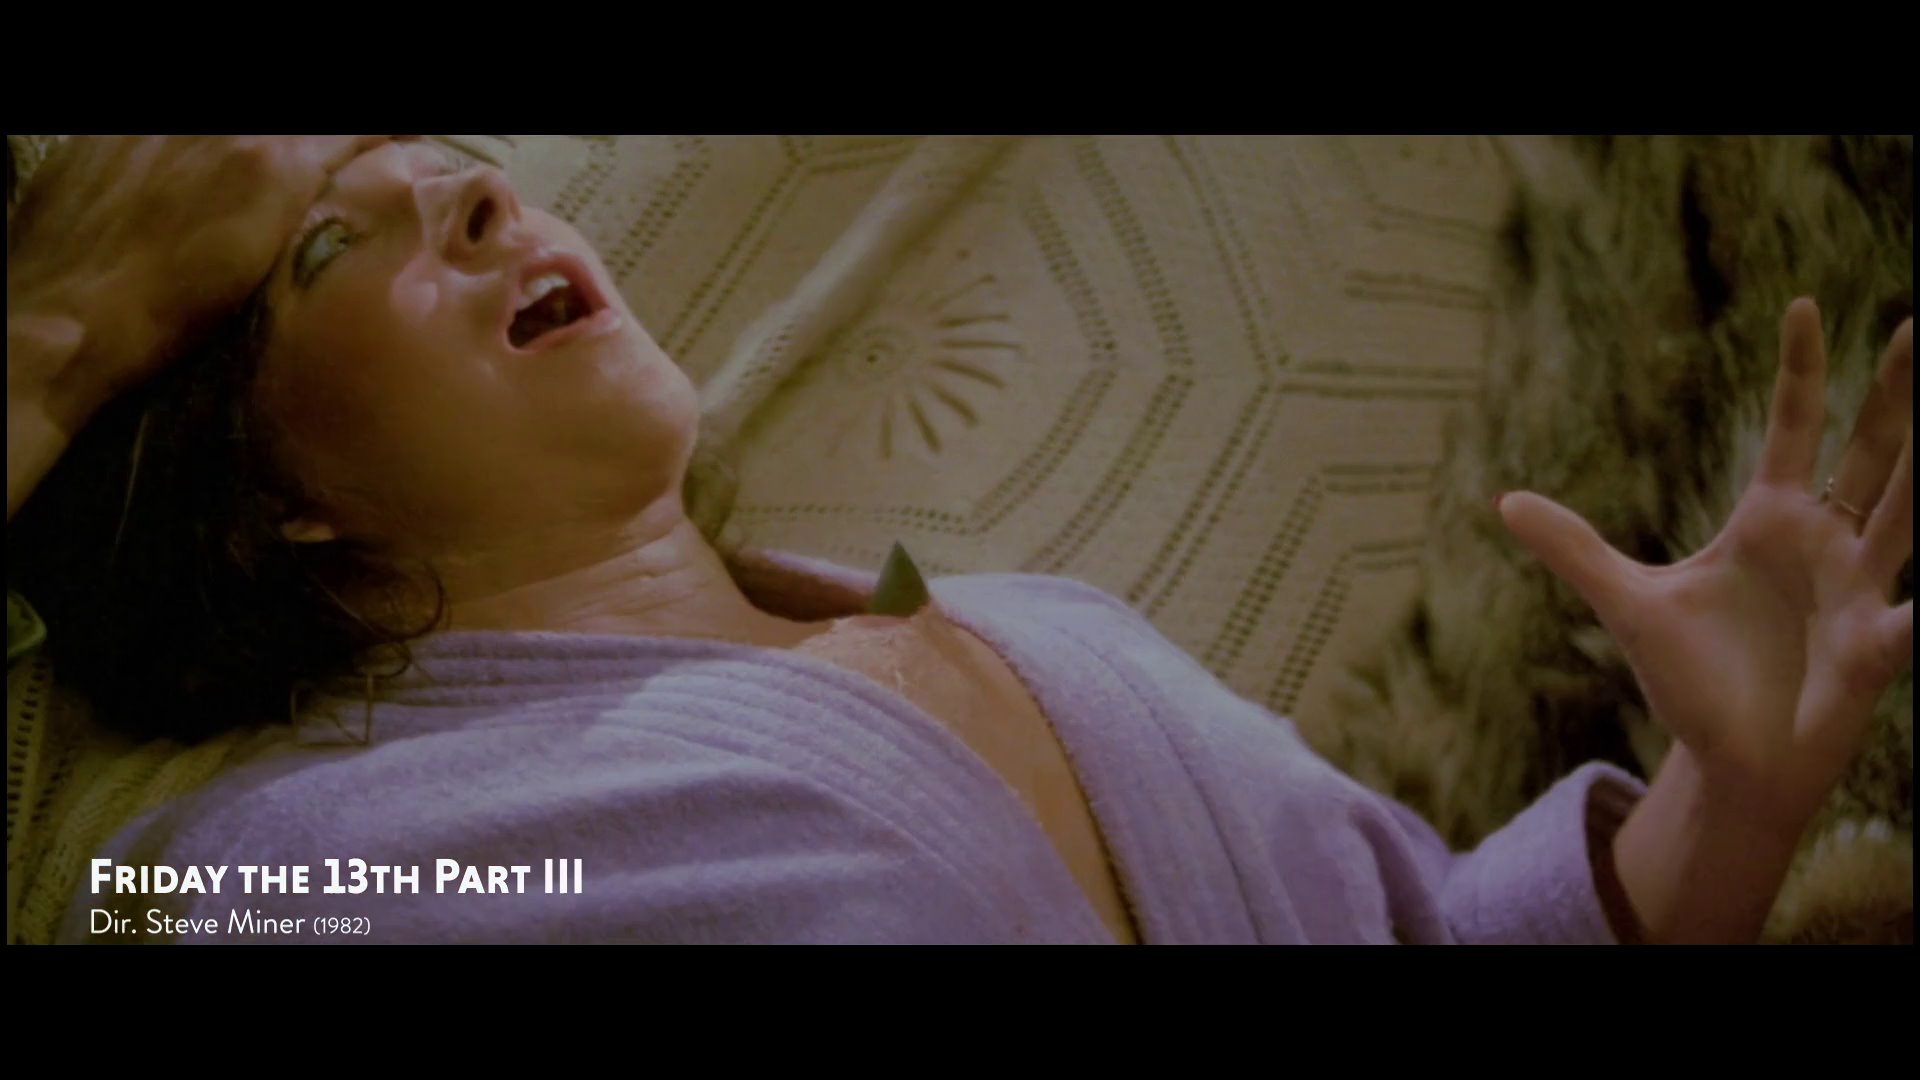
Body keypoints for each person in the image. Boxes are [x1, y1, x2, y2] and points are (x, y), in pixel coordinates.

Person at [7, 136, 1912, 945]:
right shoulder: (288, 861)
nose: (481, 198)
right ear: (266, 498)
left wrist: (1733, 789)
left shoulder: (1052, 634)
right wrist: (47, 348)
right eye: (337, 243)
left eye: (466, 168)